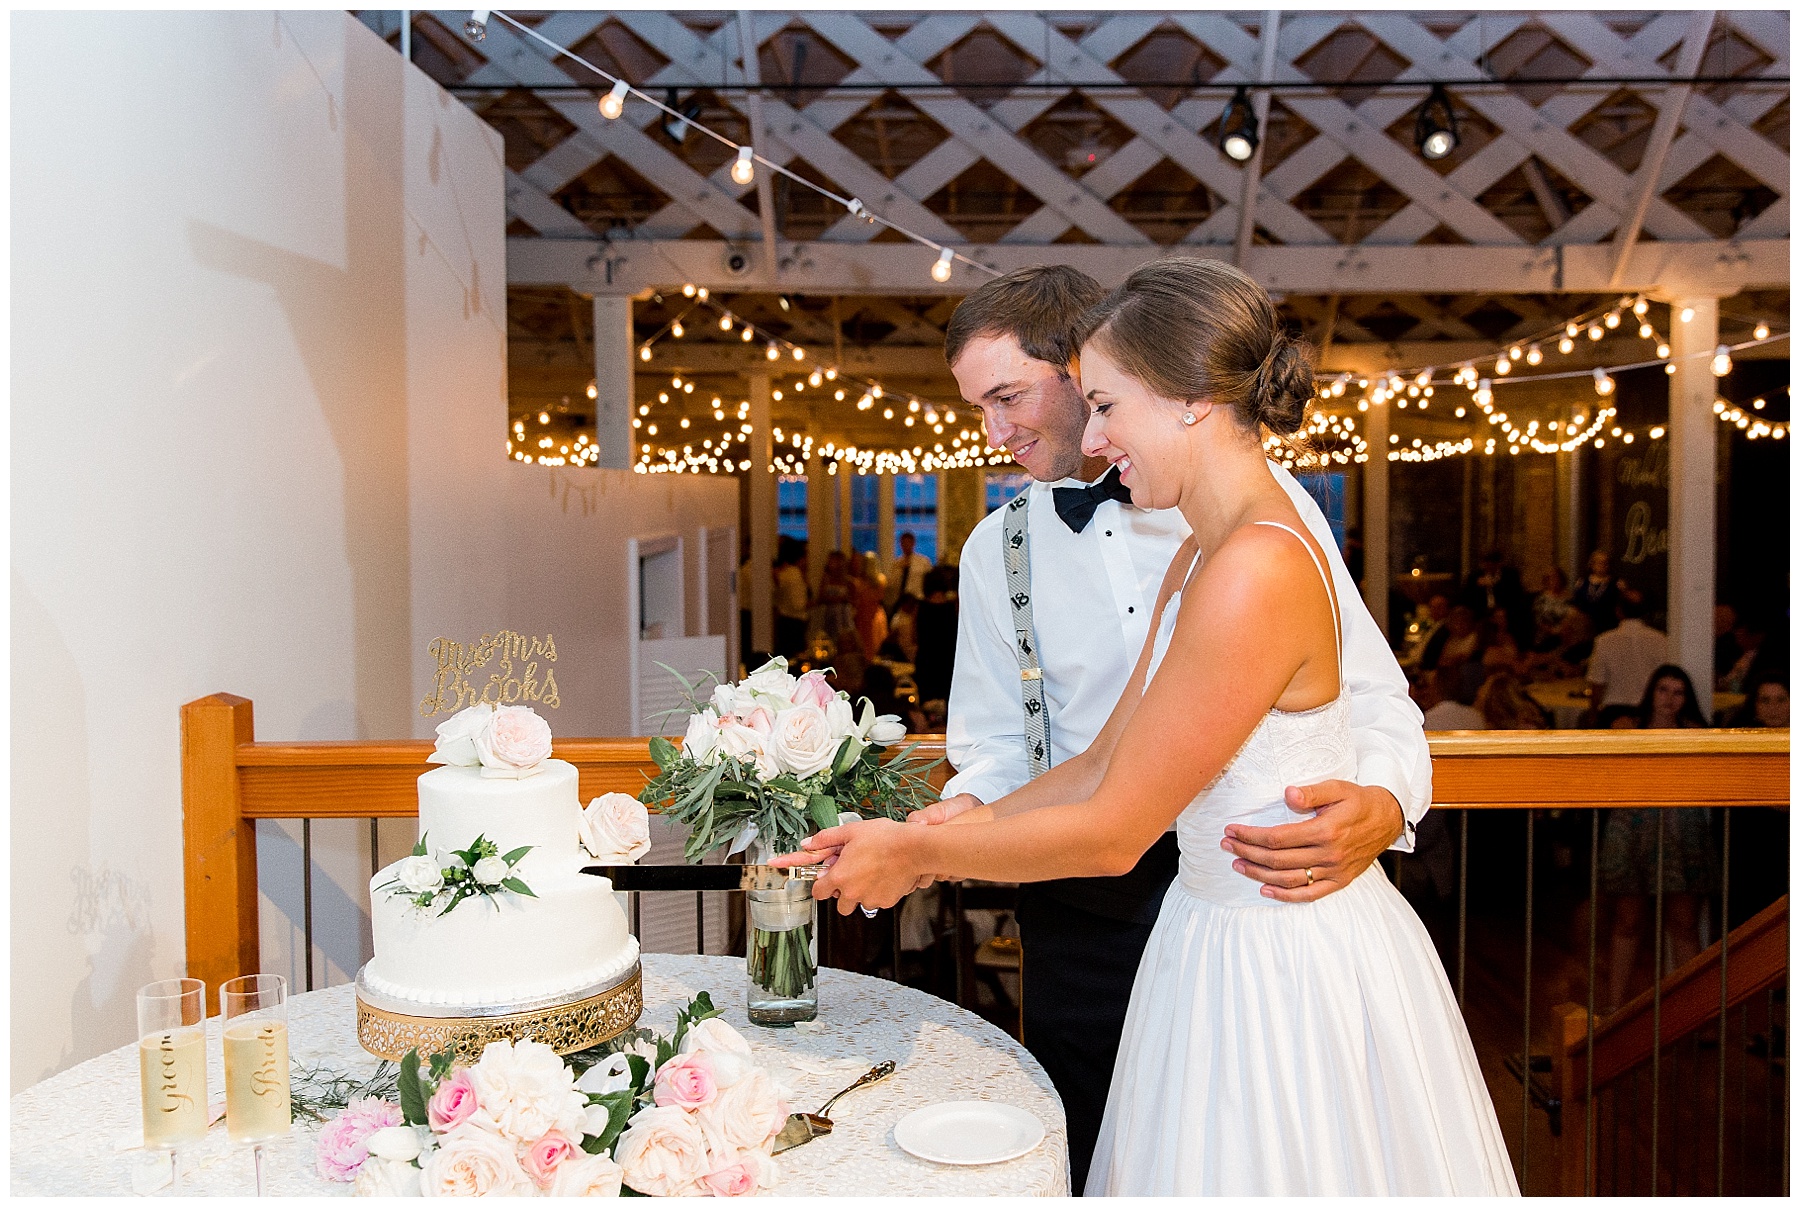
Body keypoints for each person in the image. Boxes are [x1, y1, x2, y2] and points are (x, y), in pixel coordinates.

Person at [780, 259, 1509, 1194]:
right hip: (1148, 921)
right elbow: (1096, 760)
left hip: (1270, 933)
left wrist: (1385, 801)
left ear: (1184, 396)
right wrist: (945, 827)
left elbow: (1133, 810)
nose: (1088, 431)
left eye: (1101, 402)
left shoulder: (1254, 556)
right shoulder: (1193, 548)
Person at [1597, 665, 1716, 1009]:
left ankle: (1698, 1016)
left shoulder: (1696, 732)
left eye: (1678, 692)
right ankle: (1615, 1009)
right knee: (1627, 919)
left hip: (1682, 827)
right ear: (1651, 691)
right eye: (1663, 689)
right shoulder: (1625, 727)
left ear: (1686, 699)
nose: (1669, 699)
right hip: (1632, 826)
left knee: (1684, 922)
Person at [1587, 594, 1668, 724]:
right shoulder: (1660, 640)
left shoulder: (1604, 641)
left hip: (1613, 713)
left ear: (1618, 611)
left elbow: (1597, 683)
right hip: (1648, 713)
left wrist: (1593, 713)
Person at [911, 567, 958, 706]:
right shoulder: (952, 608)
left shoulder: (919, 608)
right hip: (947, 660)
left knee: (926, 704)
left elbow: (913, 636)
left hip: (926, 660)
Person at [1570, 549, 1624, 634]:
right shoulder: (1581, 583)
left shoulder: (1616, 584)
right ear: (1592, 564)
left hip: (1608, 626)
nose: (1603, 565)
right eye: (1600, 562)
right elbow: (1575, 606)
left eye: (1605, 563)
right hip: (1585, 628)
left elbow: (1620, 607)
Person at [773, 536, 810, 659]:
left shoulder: (784, 573)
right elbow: (798, 605)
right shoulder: (794, 574)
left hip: (784, 621)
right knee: (795, 657)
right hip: (793, 623)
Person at [850, 552, 888, 661]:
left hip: (865, 614)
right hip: (873, 613)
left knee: (868, 642)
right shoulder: (881, 580)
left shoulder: (859, 582)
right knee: (872, 642)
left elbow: (857, 600)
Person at [886, 531, 932, 609]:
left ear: (913, 543)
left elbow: (929, 581)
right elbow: (891, 584)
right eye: (903, 543)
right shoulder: (897, 563)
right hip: (902, 600)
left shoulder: (923, 561)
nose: (906, 546)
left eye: (908, 543)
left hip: (918, 598)